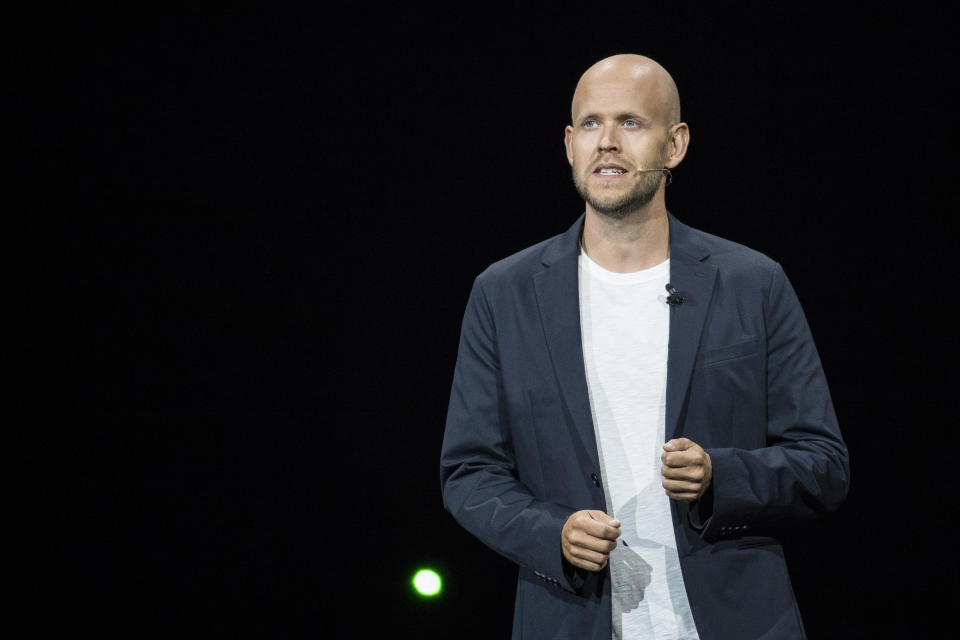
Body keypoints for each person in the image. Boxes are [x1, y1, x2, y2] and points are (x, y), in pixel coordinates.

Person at [439, 54, 849, 640]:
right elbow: (469, 473)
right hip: (572, 620)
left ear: (674, 145)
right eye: (589, 124)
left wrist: (719, 476)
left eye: (630, 123)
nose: (606, 142)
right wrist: (551, 534)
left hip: (737, 620)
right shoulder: (503, 294)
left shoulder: (752, 282)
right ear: (568, 144)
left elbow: (824, 464)